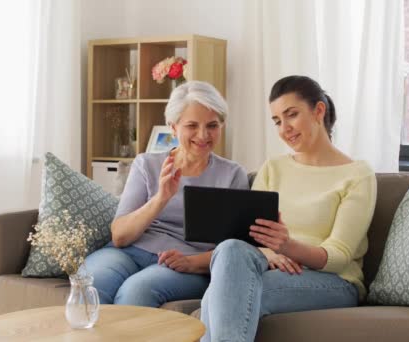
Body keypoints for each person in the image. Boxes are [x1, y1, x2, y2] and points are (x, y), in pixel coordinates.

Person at [200, 75, 377, 342]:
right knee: (230, 248)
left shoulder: (357, 175)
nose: (284, 129)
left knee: (223, 294)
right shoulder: (273, 168)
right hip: (272, 269)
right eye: (277, 121)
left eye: (291, 115)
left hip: (333, 281)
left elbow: (339, 256)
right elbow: (248, 237)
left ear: (319, 110)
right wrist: (270, 253)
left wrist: (287, 246)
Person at [84, 81, 249, 307]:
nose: (203, 135)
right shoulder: (146, 164)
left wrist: (192, 262)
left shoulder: (232, 175)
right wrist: (161, 197)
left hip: (185, 264)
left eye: (212, 125)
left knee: (136, 292)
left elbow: (236, 251)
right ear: (173, 127)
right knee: (92, 284)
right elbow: (120, 237)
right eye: (192, 125)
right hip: (130, 252)